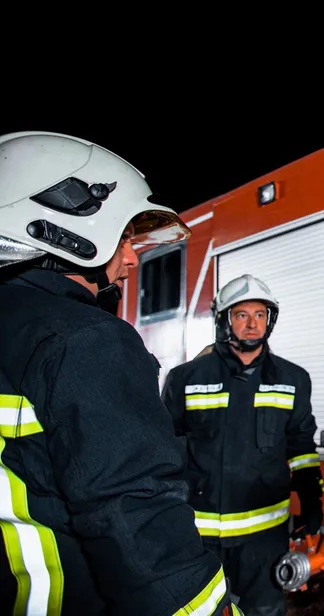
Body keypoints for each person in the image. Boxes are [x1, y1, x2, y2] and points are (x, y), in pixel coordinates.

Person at [0, 130, 243, 615]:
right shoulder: (85, 340)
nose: (133, 257)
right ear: (60, 226)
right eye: (124, 237)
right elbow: (140, 532)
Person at [161, 274, 324, 616]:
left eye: (260, 315)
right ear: (224, 321)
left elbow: (301, 446)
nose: (253, 325)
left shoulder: (293, 380)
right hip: (199, 536)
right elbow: (164, 452)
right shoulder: (185, 379)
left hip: (263, 541)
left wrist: (311, 501)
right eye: (241, 315)